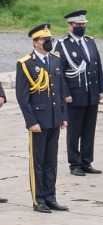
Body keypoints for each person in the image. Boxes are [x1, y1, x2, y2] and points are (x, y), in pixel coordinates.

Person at [17, 23, 67, 212]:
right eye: (45, 40)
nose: (48, 42)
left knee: (51, 161)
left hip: (54, 118)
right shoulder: (26, 63)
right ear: (35, 43)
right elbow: (23, 96)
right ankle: (39, 200)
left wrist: (63, 116)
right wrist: (31, 122)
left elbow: (60, 90)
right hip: (38, 120)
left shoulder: (54, 60)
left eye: (50, 39)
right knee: (37, 161)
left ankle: (50, 196)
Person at [58, 10, 103, 176]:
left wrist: (101, 88)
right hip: (75, 94)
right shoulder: (62, 44)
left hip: (91, 93)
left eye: (83, 25)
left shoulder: (90, 41)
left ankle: (86, 161)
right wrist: (66, 93)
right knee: (74, 131)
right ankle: (74, 163)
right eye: (78, 25)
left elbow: (97, 64)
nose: (81, 27)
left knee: (89, 129)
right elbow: (60, 72)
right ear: (70, 26)